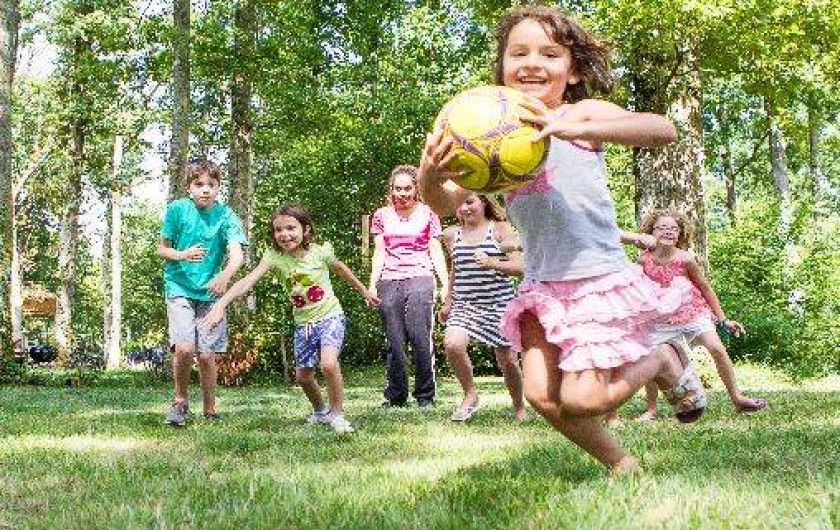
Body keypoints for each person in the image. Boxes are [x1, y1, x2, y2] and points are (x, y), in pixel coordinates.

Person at [418, 4, 707, 472]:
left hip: (597, 280)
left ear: (572, 71)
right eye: (519, 53)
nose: (532, 63)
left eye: (549, 54)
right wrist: (430, 172)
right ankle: (622, 465)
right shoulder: (489, 134)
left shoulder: (582, 114)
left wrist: (582, 127)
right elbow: (442, 203)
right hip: (541, 287)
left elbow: (663, 130)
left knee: (584, 398)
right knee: (541, 395)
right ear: (503, 67)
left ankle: (661, 356)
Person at [203, 204, 379, 434]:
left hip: (330, 315)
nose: (284, 234)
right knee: (304, 377)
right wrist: (221, 305)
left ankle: (337, 414)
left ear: (305, 229)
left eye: (291, 228)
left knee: (328, 363)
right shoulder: (274, 257)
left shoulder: (320, 252)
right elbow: (247, 281)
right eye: (278, 230)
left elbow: (341, 269)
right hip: (303, 323)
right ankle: (320, 411)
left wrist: (364, 290)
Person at [621, 209, 767, 420]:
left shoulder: (685, 259)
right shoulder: (644, 260)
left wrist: (723, 320)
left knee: (716, 348)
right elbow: (635, 289)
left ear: (680, 234)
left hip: (692, 311)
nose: (668, 232)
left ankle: (738, 398)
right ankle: (651, 409)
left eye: (673, 228)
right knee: (650, 357)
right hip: (661, 317)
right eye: (662, 228)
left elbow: (705, 287)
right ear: (652, 231)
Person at [159, 159, 247, 426]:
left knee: (207, 354)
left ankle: (210, 409)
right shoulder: (176, 210)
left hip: (210, 292)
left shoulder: (226, 216)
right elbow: (162, 250)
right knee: (184, 348)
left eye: (211, 184)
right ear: (189, 188)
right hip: (179, 287)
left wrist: (224, 276)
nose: (205, 190)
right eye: (199, 185)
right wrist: (183, 254)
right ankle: (180, 402)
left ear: (219, 187)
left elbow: (237, 256)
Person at [438, 193, 526, 421]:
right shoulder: (451, 235)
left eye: (470, 202)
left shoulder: (500, 229)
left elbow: (519, 266)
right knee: (452, 344)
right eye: (459, 204)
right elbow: (455, 270)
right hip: (466, 305)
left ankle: (519, 408)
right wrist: (448, 301)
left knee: (507, 361)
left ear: (484, 202)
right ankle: (470, 394)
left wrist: (492, 262)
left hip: (499, 304)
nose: (465, 209)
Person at [368, 165, 449, 408]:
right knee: (394, 341)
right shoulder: (381, 215)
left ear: (416, 189)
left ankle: (425, 396)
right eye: (397, 189)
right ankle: (396, 397)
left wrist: (446, 285)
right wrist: (372, 286)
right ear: (391, 190)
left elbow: (435, 251)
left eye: (407, 188)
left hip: (420, 278)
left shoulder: (429, 214)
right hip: (389, 280)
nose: (402, 193)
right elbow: (379, 252)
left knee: (420, 337)